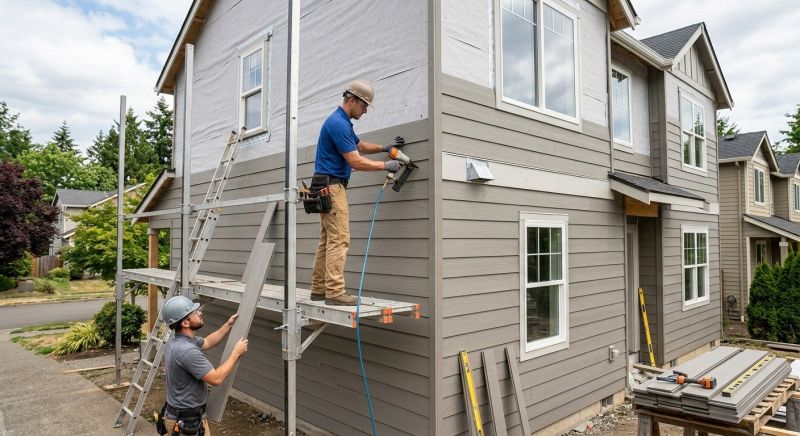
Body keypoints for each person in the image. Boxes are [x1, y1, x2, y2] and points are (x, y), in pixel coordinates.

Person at [309, 79, 404, 306]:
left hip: (325, 185)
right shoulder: (338, 124)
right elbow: (355, 161)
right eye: (364, 105)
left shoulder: (341, 122)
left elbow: (359, 146)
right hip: (333, 187)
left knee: (327, 239)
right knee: (339, 239)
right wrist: (385, 165)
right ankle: (335, 292)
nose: (365, 111)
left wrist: (384, 148)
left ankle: (319, 289)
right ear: (351, 100)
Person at [159, 295, 248, 435]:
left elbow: (207, 342)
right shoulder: (187, 351)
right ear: (185, 323)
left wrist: (228, 325)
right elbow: (216, 379)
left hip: (184, 416)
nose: (200, 313)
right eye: (194, 312)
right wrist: (236, 353)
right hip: (187, 422)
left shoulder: (177, 340)